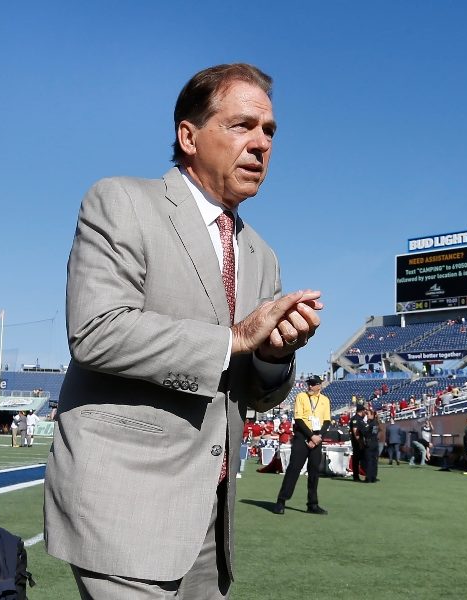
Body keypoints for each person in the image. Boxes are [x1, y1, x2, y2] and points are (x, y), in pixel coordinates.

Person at [44, 63, 324, 599]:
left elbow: (256, 396)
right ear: (188, 136)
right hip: (124, 506)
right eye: (242, 125)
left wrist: (273, 355)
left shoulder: (262, 255)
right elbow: (96, 331)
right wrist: (236, 339)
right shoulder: (122, 202)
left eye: (269, 131)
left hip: (210, 521)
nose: (261, 143)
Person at [275, 375, 331, 515]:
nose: (310, 387)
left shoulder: (325, 400)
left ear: (319, 385)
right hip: (302, 435)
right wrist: (310, 436)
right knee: (294, 469)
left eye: (313, 384)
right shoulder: (301, 396)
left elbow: (327, 421)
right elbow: (299, 419)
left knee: (314, 472)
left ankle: (312, 504)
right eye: (309, 384)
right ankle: (281, 501)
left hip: (317, 437)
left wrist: (317, 437)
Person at [362, 406, 381, 482]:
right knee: (374, 461)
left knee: (369, 461)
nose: (367, 416)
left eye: (368, 414)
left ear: (372, 415)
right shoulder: (375, 423)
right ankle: (373, 477)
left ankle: (369, 477)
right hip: (375, 443)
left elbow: (368, 433)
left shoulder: (371, 424)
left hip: (370, 443)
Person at [349, 404, 367, 481]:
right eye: (364, 411)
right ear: (362, 411)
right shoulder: (355, 419)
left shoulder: (360, 418)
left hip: (360, 442)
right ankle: (356, 476)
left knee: (360, 459)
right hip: (357, 443)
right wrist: (360, 442)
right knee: (357, 459)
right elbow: (355, 432)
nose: (365, 412)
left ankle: (360, 475)